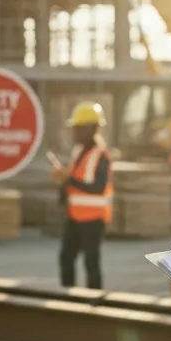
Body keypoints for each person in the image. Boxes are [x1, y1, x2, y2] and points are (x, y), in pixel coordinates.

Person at [52, 101, 112, 289]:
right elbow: (74, 180)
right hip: (74, 217)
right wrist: (63, 185)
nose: (75, 132)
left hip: (93, 220)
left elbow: (98, 187)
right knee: (66, 258)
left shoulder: (101, 155)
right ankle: (68, 299)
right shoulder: (78, 152)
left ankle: (94, 301)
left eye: (79, 128)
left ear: (92, 129)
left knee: (91, 262)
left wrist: (68, 180)